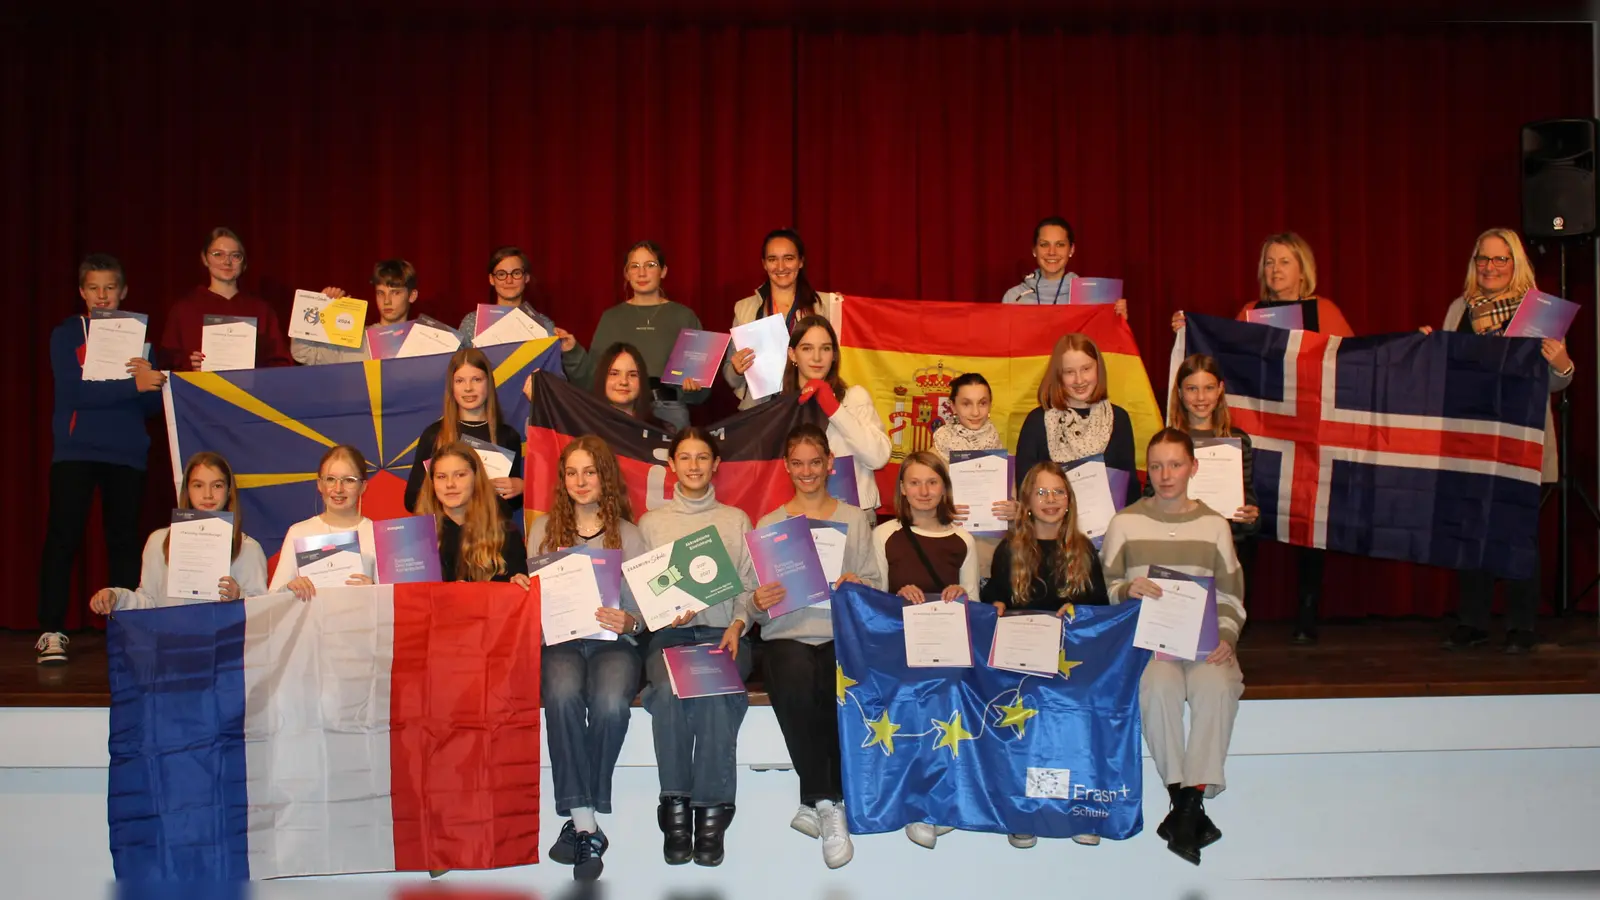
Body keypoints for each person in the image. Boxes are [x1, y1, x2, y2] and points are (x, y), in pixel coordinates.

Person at [1170, 233, 1349, 642]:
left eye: (1284, 262)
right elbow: (1223, 358)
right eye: (1269, 262)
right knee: (1244, 517)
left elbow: (1353, 363)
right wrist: (1189, 330)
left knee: (1307, 521)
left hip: (1307, 436)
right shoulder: (1250, 311)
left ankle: (1307, 614)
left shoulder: (1324, 310)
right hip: (1260, 432)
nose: (1275, 270)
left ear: (1303, 268)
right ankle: (1237, 616)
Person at [1421, 227, 1574, 654]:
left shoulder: (1538, 311)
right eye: (1483, 260)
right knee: (1471, 532)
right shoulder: (1459, 309)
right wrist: (1429, 350)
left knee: (1517, 534)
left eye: (1499, 259)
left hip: (1520, 444)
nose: (1490, 267)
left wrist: (1562, 363)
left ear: (1516, 263)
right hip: (1470, 441)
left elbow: (1555, 382)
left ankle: (1522, 625)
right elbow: (1446, 376)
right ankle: (1473, 621)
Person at [1101, 429, 1245, 867]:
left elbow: (1232, 594)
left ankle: (1185, 806)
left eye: (1176, 465)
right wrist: (1128, 589)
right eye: (1158, 466)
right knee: (1157, 690)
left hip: (1203, 645)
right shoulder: (1124, 522)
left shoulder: (1214, 524)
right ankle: (1187, 805)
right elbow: (1107, 588)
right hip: (1151, 646)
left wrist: (1227, 637)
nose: (1166, 475)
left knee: (1217, 687)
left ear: (1193, 468)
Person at [752, 424, 884, 869]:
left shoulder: (854, 518)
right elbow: (750, 602)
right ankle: (832, 804)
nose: (807, 471)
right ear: (786, 467)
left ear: (830, 464)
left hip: (839, 633)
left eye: (815, 462)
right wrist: (757, 600)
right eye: (798, 463)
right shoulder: (770, 525)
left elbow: (875, 583)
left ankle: (815, 802)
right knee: (794, 677)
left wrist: (857, 582)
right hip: (787, 634)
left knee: (831, 683)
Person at [529, 436, 650, 882]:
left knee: (611, 705)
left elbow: (644, 617)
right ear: (562, 480)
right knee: (560, 696)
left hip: (613, 643)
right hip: (560, 641)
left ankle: (581, 817)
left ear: (605, 477)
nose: (580, 482)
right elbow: (537, 605)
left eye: (589, 472)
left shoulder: (630, 535)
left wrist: (628, 620)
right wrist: (527, 590)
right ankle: (587, 823)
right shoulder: (542, 530)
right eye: (571, 473)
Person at [38, 254, 168, 663]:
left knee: (124, 542)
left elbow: (149, 411)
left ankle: (124, 629)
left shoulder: (141, 339)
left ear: (123, 291)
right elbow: (77, 393)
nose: (102, 295)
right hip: (77, 451)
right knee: (63, 538)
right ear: (82, 292)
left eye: (110, 287)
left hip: (127, 453)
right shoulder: (66, 334)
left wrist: (150, 383)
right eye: (94, 287)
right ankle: (51, 630)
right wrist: (135, 386)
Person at [638, 427, 758, 868]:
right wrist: (661, 613)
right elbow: (640, 595)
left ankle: (711, 810)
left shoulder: (736, 520)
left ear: (715, 465)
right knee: (668, 695)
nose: (693, 466)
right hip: (669, 637)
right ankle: (675, 805)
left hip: (723, 634)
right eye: (684, 458)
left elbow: (751, 586)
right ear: (671, 466)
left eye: (702, 457)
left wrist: (741, 622)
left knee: (713, 696)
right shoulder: (650, 524)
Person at [982, 459, 1111, 849]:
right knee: (1026, 705)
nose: (1050, 500)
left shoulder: (1085, 550)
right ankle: (1025, 810)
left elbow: (1102, 611)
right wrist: (998, 606)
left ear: (1069, 501)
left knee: (1076, 708)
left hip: (1072, 661)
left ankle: (1077, 807)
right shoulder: (1010, 549)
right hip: (1024, 661)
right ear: (1027, 501)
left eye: (1058, 492)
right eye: (1041, 492)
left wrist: (1080, 614)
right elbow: (994, 600)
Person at [871, 450, 977, 850]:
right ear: (902, 489)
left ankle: (943, 801)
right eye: (914, 482)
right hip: (898, 650)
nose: (924, 490)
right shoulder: (884, 536)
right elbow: (873, 602)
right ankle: (916, 804)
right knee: (909, 698)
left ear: (945, 488)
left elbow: (976, 608)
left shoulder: (963, 539)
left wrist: (960, 595)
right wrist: (896, 596)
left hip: (948, 651)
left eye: (932, 482)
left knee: (951, 694)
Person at [87, 452, 269, 615]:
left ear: (229, 491)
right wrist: (116, 597)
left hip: (223, 647)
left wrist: (239, 596)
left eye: (217, 486)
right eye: (198, 485)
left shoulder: (248, 549)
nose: (208, 495)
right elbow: (149, 601)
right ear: (187, 490)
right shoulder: (158, 541)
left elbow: (263, 614)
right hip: (173, 644)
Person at [1158, 355, 1260, 598]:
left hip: (1226, 553)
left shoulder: (1238, 441)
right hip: (1178, 553)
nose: (1201, 398)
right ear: (1180, 393)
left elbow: (1250, 503)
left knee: (1224, 631)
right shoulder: (1166, 440)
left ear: (1220, 390)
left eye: (1209, 388)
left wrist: (1251, 516)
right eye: (1192, 389)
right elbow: (1151, 498)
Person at [588, 242, 710, 429]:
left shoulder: (684, 316)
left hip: (669, 412)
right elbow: (593, 375)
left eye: (650, 265)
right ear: (626, 274)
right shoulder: (611, 317)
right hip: (620, 410)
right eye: (634, 266)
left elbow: (701, 390)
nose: (642, 273)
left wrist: (693, 389)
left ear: (663, 271)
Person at [1014, 333, 1141, 506]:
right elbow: (1025, 490)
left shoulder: (1119, 419)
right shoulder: (1037, 422)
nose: (1079, 380)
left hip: (1110, 530)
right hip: (1051, 531)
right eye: (1069, 372)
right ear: (1058, 375)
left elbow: (1131, 491)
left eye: (1086, 369)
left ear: (1098, 368)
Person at [783, 315, 892, 510]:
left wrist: (835, 409)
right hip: (798, 517)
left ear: (834, 355)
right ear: (792, 354)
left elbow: (878, 457)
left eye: (825, 348)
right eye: (807, 348)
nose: (817, 358)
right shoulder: (781, 408)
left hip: (854, 514)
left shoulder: (854, 397)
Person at [402, 348, 524, 520]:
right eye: (460, 381)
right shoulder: (434, 435)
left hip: (491, 537)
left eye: (476, 379)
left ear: (488, 383)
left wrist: (519, 488)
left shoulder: (508, 436)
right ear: (451, 386)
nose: (468, 388)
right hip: (446, 535)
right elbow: (412, 500)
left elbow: (511, 506)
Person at [724, 229, 839, 409]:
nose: (780, 267)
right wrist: (737, 370)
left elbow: (840, 360)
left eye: (788, 258)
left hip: (811, 406)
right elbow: (730, 376)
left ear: (801, 262)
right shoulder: (744, 308)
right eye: (772, 259)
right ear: (764, 264)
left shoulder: (826, 305)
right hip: (760, 412)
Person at [160, 227, 292, 370]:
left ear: (244, 263)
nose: (227, 262)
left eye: (235, 256)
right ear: (205, 259)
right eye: (218, 254)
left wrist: (256, 368)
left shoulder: (262, 310)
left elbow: (281, 363)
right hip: (198, 391)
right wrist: (189, 364)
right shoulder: (183, 309)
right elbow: (166, 364)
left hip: (249, 391)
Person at [458, 246, 591, 382]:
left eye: (516, 273)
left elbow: (555, 377)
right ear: (492, 279)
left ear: (526, 277)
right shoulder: (472, 322)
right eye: (501, 274)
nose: (509, 281)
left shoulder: (543, 324)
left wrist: (571, 352)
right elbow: (457, 370)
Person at [932, 372, 1016, 582]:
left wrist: (1016, 511)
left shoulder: (1000, 457)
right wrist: (943, 509)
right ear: (953, 406)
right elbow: (915, 511)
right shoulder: (932, 457)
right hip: (944, 558)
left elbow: (1016, 517)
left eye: (983, 403)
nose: (976, 411)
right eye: (966, 404)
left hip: (989, 560)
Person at [268, 445, 378, 598]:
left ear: (363, 486)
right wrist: (289, 588)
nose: (338, 489)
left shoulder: (377, 534)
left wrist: (375, 590)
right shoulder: (298, 532)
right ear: (320, 484)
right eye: (331, 479)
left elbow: (394, 603)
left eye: (349, 480)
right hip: (311, 621)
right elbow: (272, 598)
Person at [416, 441, 530, 585]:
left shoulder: (505, 533)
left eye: (460, 475)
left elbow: (516, 595)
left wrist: (518, 583)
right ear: (432, 483)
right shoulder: (416, 538)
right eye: (441, 477)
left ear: (476, 478)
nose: (450, 484)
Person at [292, 259, 429, 365]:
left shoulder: (425, 340)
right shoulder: (355, 339)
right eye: (380, 293)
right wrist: (318, 305)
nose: (387, 301)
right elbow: (302, 353)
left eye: (395, 293)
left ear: (412, 295)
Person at [1000, 216, 1128, 318]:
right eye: (1044, 245)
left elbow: (1102, 344)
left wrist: (1117, 321)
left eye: (1060, 245)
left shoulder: (1092, 297)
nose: (1052, 252)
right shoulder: (1014, 297)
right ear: (1034, 250)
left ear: (1071, 250)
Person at [591, 342, 670, 430]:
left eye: (632, 375)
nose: (624, 382)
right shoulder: (586, 425)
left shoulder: (661, 430)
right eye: (614, 374)